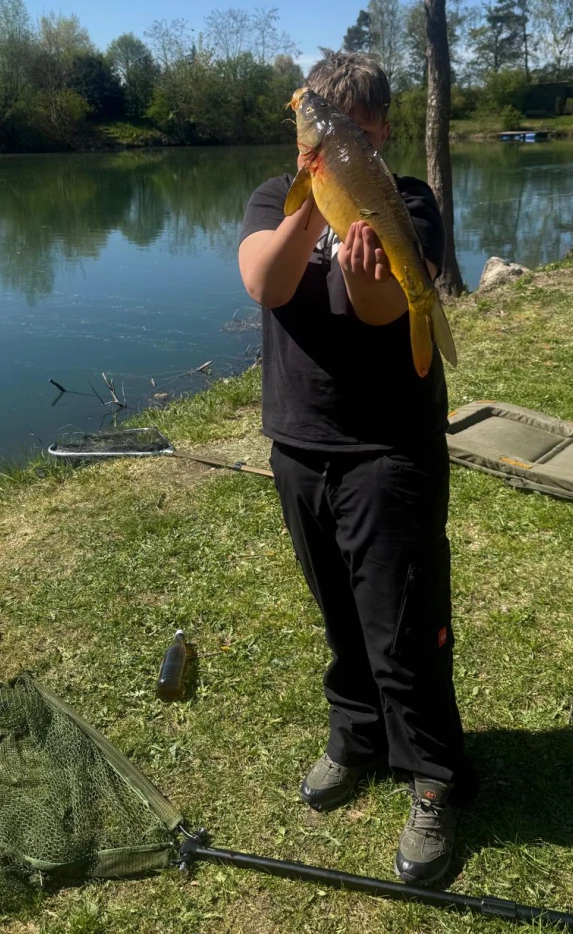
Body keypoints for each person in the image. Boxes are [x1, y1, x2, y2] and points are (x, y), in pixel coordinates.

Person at [238, 50, 472, 886]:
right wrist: (312, 196)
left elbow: (373, 306)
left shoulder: (407, 200)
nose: (361, 136)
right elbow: (265, 281)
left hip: (387, 445)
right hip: (301, 442)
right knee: (338, 610)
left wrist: (368, 257)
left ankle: (436, 776)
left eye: (372, 125)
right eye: (344, 124)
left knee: (402, 618)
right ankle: (356, 737)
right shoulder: (275, 197)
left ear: (384, 130)